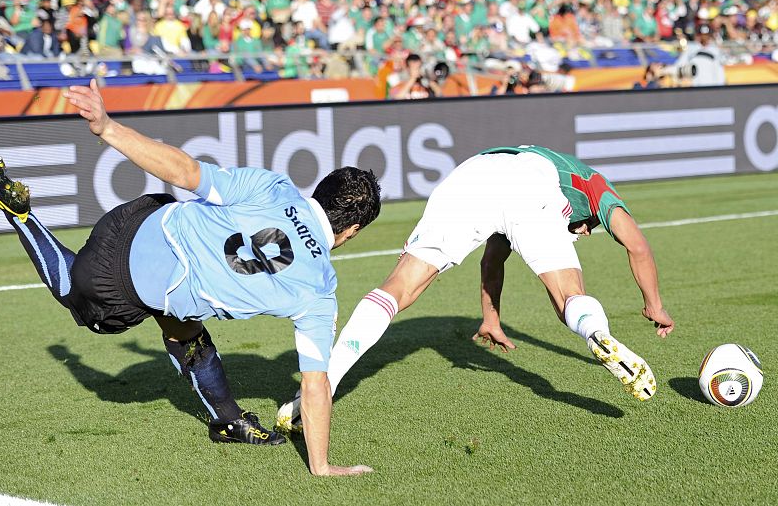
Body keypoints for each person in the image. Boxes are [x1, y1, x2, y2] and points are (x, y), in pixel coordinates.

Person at [0, 79, 381, 477]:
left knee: (183, 323)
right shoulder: (320, 289)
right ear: (352, 230)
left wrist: (107, 127)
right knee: (76, 294)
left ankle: (228, 421)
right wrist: (321, 465)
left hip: (140, 215)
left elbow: (186, 171)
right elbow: (315, 384)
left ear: (320, 190)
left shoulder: (273, 186)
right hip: (116, 279)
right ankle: (21, 216)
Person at [277, 145, 675, 431]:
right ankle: (597, 333)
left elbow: (492, 259)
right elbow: (637, 245)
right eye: (589, 226)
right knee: (569, 294)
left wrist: (491, 317)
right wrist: (654, 305)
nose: (585, 232)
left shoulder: (537, 161)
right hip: (531, 188)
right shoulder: (595, 184)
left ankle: (326, 381)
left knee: (398, 288)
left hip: (469, 177)